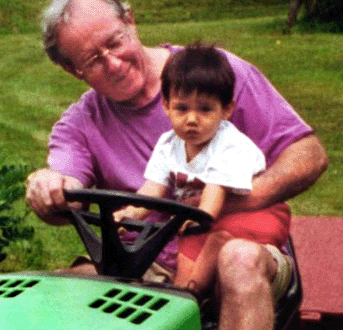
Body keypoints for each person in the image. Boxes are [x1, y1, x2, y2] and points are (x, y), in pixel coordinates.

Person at [25, 0, 328, 330]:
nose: (113, 63)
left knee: (238, 260)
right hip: (143, 262)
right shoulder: (80, 124)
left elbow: (310, 155)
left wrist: (233, 202)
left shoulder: (212, 75)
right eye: (93, 60)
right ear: (73, 70)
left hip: (242, 244)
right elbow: (66, 181)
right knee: (63, 291)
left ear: (131, 21)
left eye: (114, 42)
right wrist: (47, 185)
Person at [114, 43, 292, 299]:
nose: (192, 119)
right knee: (189, 237)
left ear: (226, 110)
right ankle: (188, 291)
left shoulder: (229, 144)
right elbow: (153, 188)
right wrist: (130, 212)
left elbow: (214, 192)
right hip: (210, 216)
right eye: (182, 108)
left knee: (193, 237)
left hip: (256, 214)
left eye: (205, 109)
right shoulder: (168, 145)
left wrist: (201, 219)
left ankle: (187, 296)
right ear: (166, 106)